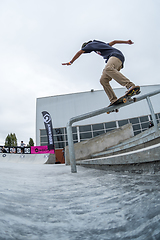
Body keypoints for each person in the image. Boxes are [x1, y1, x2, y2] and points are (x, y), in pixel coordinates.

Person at [62, 39, 139, 105]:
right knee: (103, 80)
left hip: (115, 56)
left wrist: (70, 62)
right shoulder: (101, 45)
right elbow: (114, 42)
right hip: (117, 61)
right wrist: (127, 42)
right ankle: (113, 100)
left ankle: (130, 86)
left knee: (108, 68)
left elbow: (79, 52)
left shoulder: (90, 44)